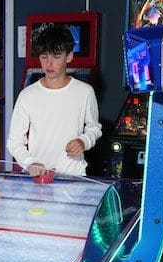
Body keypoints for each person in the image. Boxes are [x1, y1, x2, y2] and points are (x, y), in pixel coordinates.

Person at [6, 24, 102, 177]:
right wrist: (29, 162)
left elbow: (94, 128)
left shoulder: (84, 92)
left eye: (56, 57)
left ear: (69, 56)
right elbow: (14, 141)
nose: (49, 64)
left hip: (73, 175)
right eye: (44, 57)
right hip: (39, 177)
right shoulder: (27, 95)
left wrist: (83, 141)